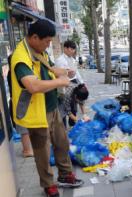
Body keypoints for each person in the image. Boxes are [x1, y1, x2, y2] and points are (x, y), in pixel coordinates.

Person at [10, 19, 83, 197]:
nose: (49, 44)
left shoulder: (38, 50)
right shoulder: (20, 58)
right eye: (47, 41)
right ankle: (48, 184)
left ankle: (65, 175)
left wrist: (64, 72)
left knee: (62, 143)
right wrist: (60, 81)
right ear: (34, 37)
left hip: (52, 106)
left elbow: (49, 69)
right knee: (42, 151)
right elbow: (33, 86)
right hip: (36, 112)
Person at [7, 55, 33, 158]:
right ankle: (27, 150)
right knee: (24, 128)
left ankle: (27, 149)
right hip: (19, 102)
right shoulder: (14, 74)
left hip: (18, 101)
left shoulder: (11, 73)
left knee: (25, 127)